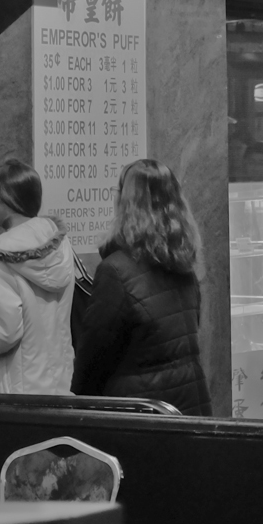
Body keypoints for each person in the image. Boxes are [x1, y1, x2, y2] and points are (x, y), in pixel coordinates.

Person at [73, 159, 211, 415]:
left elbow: (93, 358)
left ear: (125, 203)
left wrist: (79, 404)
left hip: (141, 413)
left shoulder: (116, 271)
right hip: (188, 406)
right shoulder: (184, 264)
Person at [0, 159, 77, 395]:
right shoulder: (61, 245)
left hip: (17, 390)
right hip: (60, 381)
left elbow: (4, 333)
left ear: (2, 198)